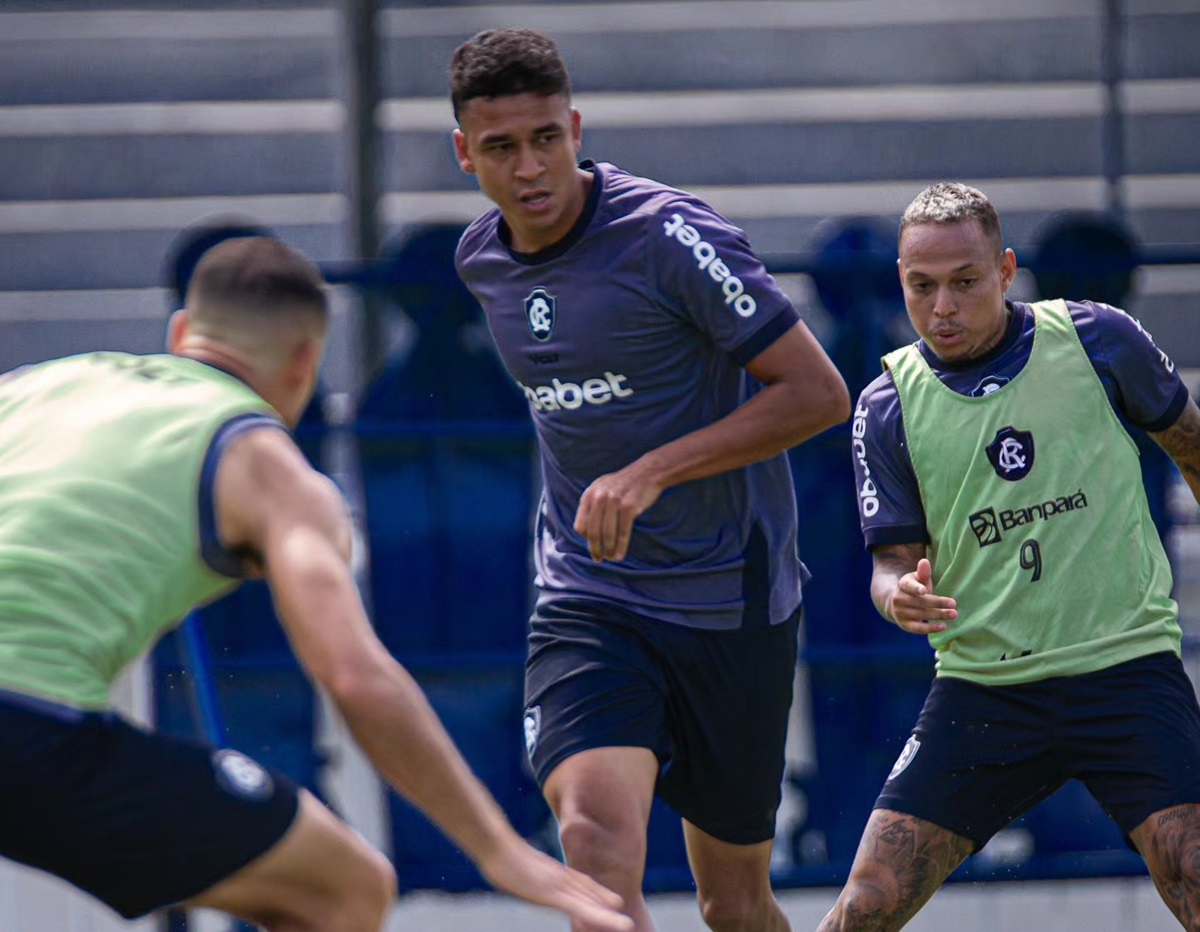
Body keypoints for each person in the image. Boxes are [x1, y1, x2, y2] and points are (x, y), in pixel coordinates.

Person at [0, 236, 634, 932]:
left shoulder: (37, 387)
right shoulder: (267, 464)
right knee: (345, 888)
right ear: (307, 364)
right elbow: (354, 675)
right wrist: (496, 848)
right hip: (29, 722)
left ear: (181, 331)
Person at [448, 28, 850, 932]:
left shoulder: (669, 236)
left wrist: (652, 471)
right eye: (503, 148)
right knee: (592, 839)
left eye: (547, 138)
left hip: (729, 601)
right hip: (589, 594)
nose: (531, 168)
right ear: (465, 153)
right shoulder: (481, 260)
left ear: (577, 128)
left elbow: (818, 394)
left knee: (733, 903)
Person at [824, 182, 1200, 931]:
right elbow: (889, 564)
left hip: (1123, 668)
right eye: (920, 287)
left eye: (964, 283)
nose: (941, 307)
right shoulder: (886, 405)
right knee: (865, 904)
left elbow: (1192, 446)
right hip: (986, 690)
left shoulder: (1099, 340)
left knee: (1191, 868)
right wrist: (897, 594)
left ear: (1004, 270)